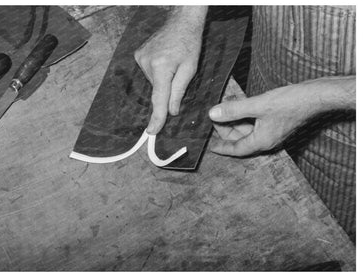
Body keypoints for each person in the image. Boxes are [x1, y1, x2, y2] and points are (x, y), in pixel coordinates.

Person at [134, 6, 356, 241]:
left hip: (349, 132)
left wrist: (319, 96)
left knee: (323, 228)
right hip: (274, 57)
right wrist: (187, 15)